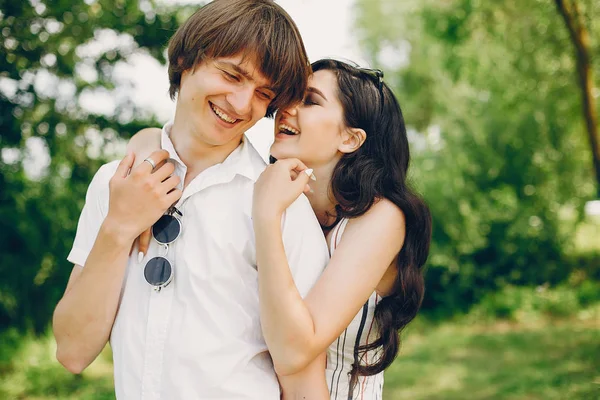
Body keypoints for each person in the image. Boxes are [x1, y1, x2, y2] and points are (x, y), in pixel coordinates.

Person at [52, 1, 331, 399]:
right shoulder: (115, 184)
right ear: (186, 58)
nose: (240, 104)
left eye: (262, 94)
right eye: (232, 75)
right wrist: (119, 227)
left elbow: (302, 379)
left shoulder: (283, 206)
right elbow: (72, 352)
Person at [131, 58, 432, 399]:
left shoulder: (381, 218)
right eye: (291, 97)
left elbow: (294, 352)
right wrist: (146, 144)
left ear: (350, 139)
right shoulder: (291, 204)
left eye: (310, 100)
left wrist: (267, 217)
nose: (286, 108)